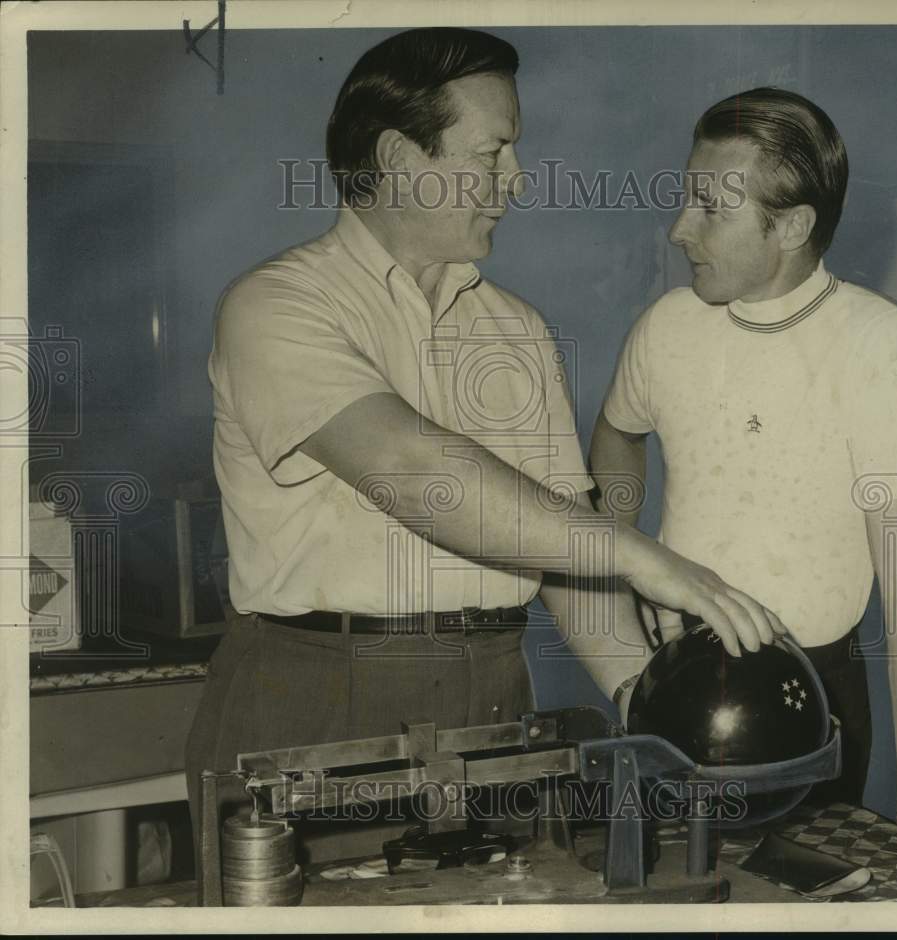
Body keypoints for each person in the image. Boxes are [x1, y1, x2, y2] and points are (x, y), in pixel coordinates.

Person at [185, 29, 783, 855]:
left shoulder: (516, 330)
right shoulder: (276, 307)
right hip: (316, 701)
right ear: (399, 158)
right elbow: (415, 471)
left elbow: (564, 554)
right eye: (492, 153)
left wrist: (649, 704)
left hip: (494, 707)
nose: (517, 180)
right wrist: (644, 556)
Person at [590, 86, 897, 887]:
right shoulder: (667, 326)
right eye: (686, 199)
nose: (679, 230)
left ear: (792, 226)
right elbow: (615, 436)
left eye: (711, 210)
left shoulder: (880, 342)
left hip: (813, 699)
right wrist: (628, 548)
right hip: (670, 690)